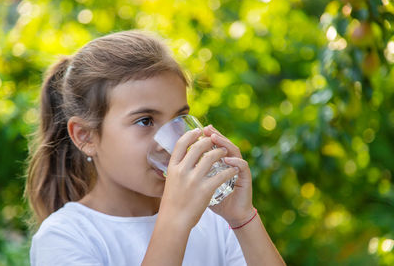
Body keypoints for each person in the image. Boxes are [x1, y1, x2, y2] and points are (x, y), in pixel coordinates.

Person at [26, 30, 285, 266]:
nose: (171, 142)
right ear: (86, 137)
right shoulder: (65, 236)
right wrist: (175, 222)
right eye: (145, 121)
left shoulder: (214, 220)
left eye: (178, 119)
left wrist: (242, 219)